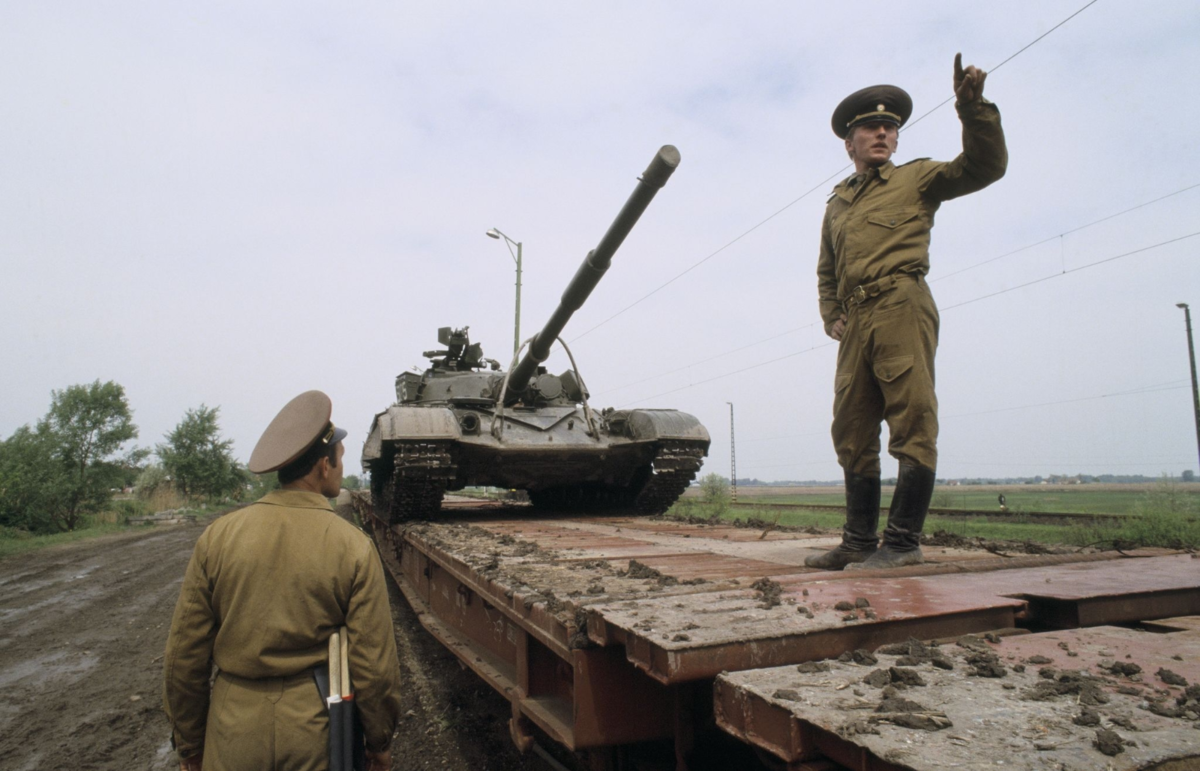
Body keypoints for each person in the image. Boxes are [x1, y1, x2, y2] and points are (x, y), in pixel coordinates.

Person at [807, 54, 1007, 571]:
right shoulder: (838, 204)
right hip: (856, 319)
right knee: (850, 427)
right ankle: (856, 542)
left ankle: (901, 543)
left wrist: (973, 109)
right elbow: (827, 269)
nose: (882, 133)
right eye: (871, 127)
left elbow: (984, 167)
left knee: (911, 416)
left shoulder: (917, 179)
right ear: (848, 142)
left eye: (890, 127)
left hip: (901, 303)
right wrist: (831, 313)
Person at [163, 390, 402, 770]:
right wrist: (378, 740)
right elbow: (373, 664)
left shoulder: (219, 536)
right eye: (339, 458)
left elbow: (184, 656)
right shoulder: (352, 546)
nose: (341, 467)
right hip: (317, 730)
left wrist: (191, 743)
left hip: (231, 729)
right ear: (323, 467)